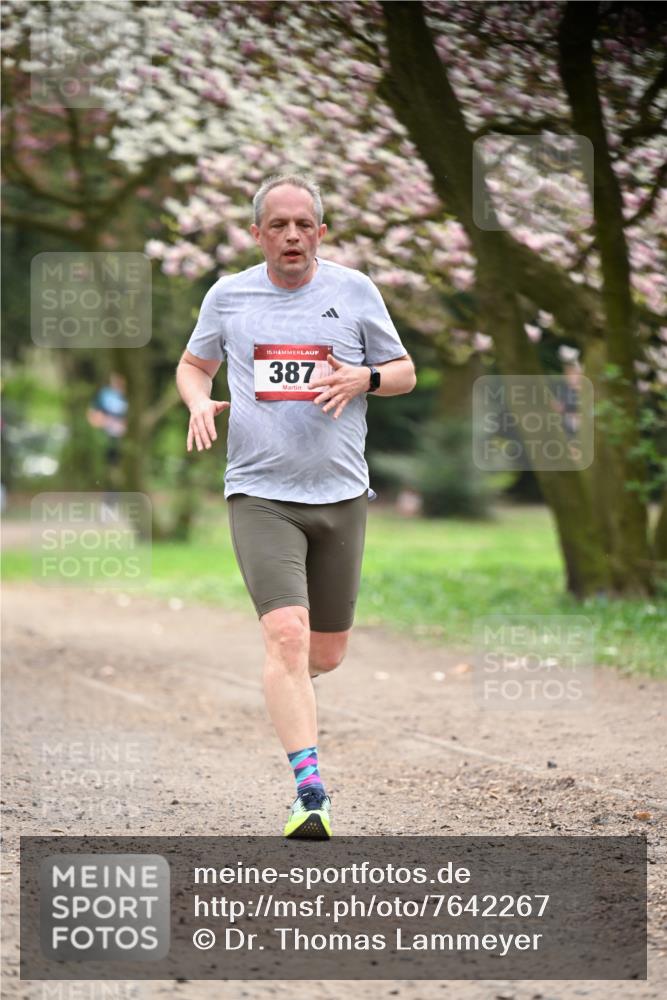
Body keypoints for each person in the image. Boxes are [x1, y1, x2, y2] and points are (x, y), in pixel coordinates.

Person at [175, 174, 416, 839]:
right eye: (277, 225)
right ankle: (310, 792)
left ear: (320, 230)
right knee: (286, 636)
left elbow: (403, 372)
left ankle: (286, 680)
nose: (290, 235)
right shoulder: (229, 296)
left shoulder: (353, 291)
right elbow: (193, 365)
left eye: (302, 224)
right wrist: (199, 400)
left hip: (339, 493)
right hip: (259, 493)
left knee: (324, 653)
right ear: (257, 234)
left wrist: (361, 376)